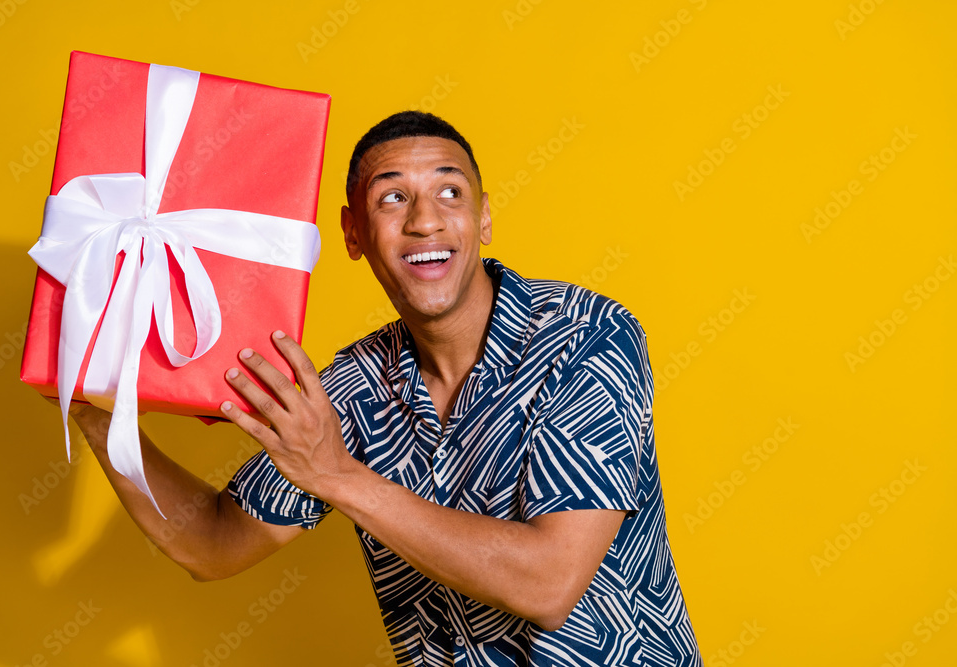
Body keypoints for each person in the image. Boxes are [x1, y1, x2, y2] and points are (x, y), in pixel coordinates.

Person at [65, 111, 702, 666]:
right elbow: (212, 541)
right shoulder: (352, 387)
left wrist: (338, 475)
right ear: (352, 233)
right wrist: (95, 414)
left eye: (450, 192)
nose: (426, 220)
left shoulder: (586, 336)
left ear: (482, 218)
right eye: (392, 198)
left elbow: (548, 583)